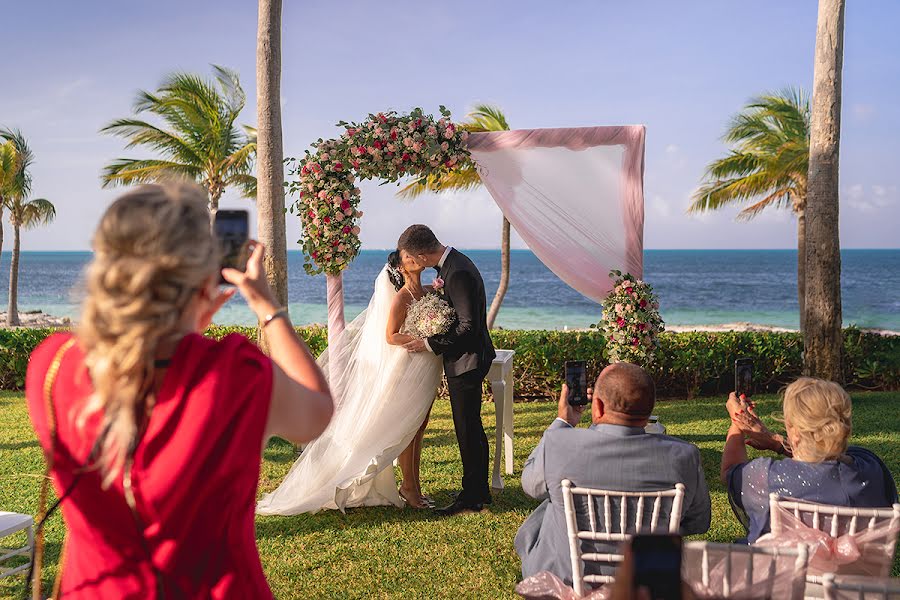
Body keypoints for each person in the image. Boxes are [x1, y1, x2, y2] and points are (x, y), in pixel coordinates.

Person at [25, 183, 333, 599]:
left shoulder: (52, 364)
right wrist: (266, 305)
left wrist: (190, 317)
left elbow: (142, 358)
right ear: (204, 277)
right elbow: (315, 413)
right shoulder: (235, 375)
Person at [256, 248, 443, 514]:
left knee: (420, 426)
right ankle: (410, 488)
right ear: (400, 268)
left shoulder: (426, 291)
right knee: (407, 429)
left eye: (415, 255)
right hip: (407, 366)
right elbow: (390, 336)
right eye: (407, 258)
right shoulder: (401, 298)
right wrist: (419, 340)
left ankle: (413, 486)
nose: (414, 259)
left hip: (424, 366)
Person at [515, 363, 711, 585]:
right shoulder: (685, 455)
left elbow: (531, 486)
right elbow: (698, 522)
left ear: (597, 406)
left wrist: (564, 422)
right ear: (649, 411)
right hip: (649, 580)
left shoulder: (559, 442)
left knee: (551, 501)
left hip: (567, 578)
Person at [722, 377, 898, 543]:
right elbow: (825, 455)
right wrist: (776, 442)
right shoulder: (869, 464)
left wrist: (736, 420)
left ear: (796, 434)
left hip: (786, 572)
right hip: (856, 574)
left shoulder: (770, 477)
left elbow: (731, 470)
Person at [398, 224, 497, 516]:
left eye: (413, 257)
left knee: (467, 430)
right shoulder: (452, 265)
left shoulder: (459, 271)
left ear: (421, 254)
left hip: (467, 360)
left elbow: (468, 326)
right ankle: (478, 491)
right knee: (471, 429)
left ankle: (472, 499)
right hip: (464, 359)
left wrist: (429, 343)